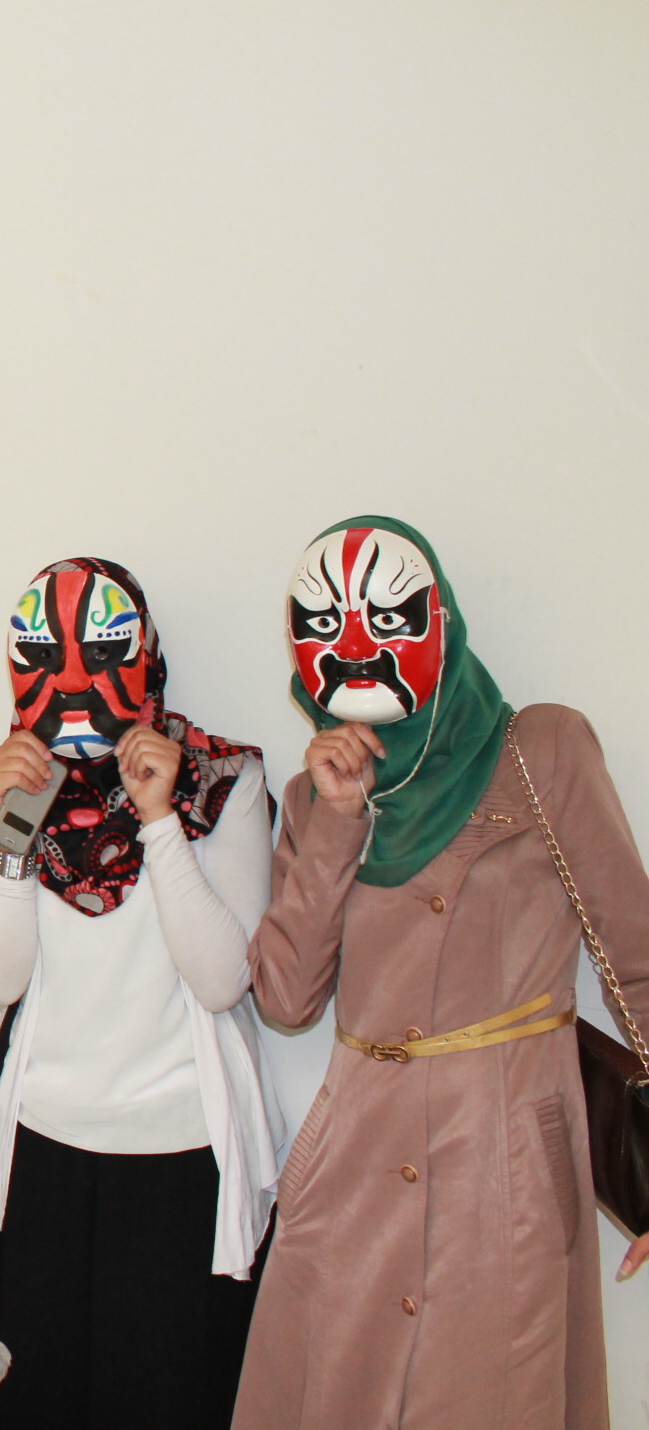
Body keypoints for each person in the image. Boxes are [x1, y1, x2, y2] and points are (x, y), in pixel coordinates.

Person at [235, 517, 649, 1430]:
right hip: (352, 1158)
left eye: (388, 617)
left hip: (501, 1155)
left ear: (441, 621)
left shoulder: (542, 749)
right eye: (325, 625)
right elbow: (287, 1000)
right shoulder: (309, 799)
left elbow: (636, 953)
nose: (356, 646)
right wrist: (338, 820)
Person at [0, 557, 280, 1428]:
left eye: (100, 652)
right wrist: (15, 823)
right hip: (43, 1149)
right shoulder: (6, 781)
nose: (70, 681)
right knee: (35, 1403)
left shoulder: (220, 780)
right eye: (42, 655)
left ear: (145, 655)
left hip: (179, 1156)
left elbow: (222, 979)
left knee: (163, 1401)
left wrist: (162, 818)